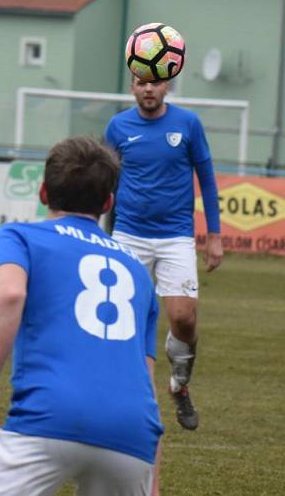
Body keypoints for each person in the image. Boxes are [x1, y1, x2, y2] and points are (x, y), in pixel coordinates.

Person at [0, 136, 163, 496]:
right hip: (134, 435)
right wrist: (151, 482)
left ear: (43, 192)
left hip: (49, 418)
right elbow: (148, 379)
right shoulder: (138, 272)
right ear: (109, 202)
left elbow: (9, 295)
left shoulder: (20, 237)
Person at [105, 76, 222, 431]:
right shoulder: (118, 126)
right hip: (128, 234)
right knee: (123, 319)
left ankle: (179, 384)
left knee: (184, 319)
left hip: (176, 237)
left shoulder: (188, 124)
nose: (149, 89)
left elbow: (207, 177)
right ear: (131, 87)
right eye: (142, 83)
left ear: (167, 86)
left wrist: (214, 235)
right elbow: (103, 180)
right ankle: (122, 398)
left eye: (155, 83)